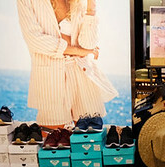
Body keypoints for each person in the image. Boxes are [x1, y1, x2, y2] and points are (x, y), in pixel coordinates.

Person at [17, 0, 118, 129]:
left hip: (82, 75)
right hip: (51, 78)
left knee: (88, 136)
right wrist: (79, 51)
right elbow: (35, 41)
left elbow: (88, 44)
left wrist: (91, 8)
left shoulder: (78, 2)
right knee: (53, 137)